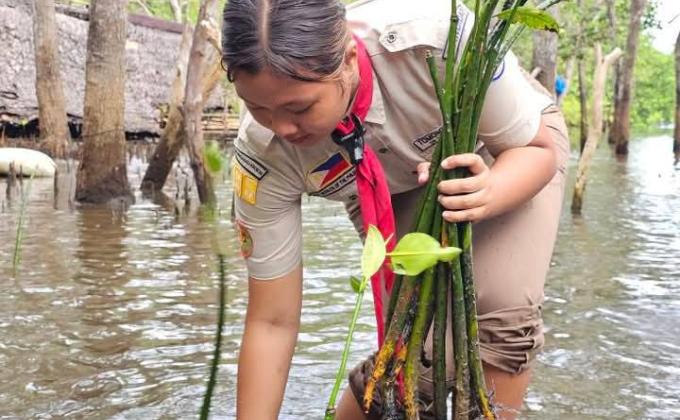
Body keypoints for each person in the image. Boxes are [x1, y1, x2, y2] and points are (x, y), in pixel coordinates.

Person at [221, 0, 570, 418]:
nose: (281, 128)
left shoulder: (436, 42)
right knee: (413, 346)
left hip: (506, 151)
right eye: (258, 108)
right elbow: (271, 321)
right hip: (386, 187)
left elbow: (536, 150)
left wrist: (488, 190)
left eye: (299, 108)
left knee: (500, 318)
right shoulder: (261, 156)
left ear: (349, 59)